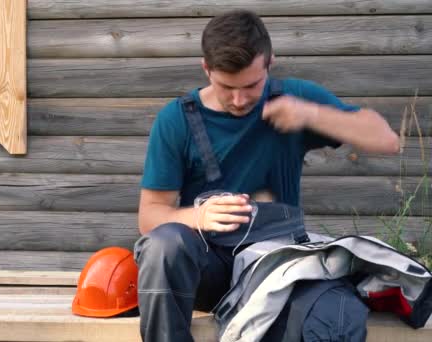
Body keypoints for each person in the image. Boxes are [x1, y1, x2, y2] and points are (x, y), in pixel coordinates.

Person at [134, 9, 399, 342]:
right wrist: (197, 215)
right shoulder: (176, 120)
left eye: (251, 85)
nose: (239, 99)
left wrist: (312, 114)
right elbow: (150, 217)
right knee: (164, 244)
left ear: (269, 64)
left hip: (276, 267)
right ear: (206, 68)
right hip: (207, 271)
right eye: (226, 87)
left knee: (335, 318)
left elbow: (386, 140)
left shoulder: (294, 98)